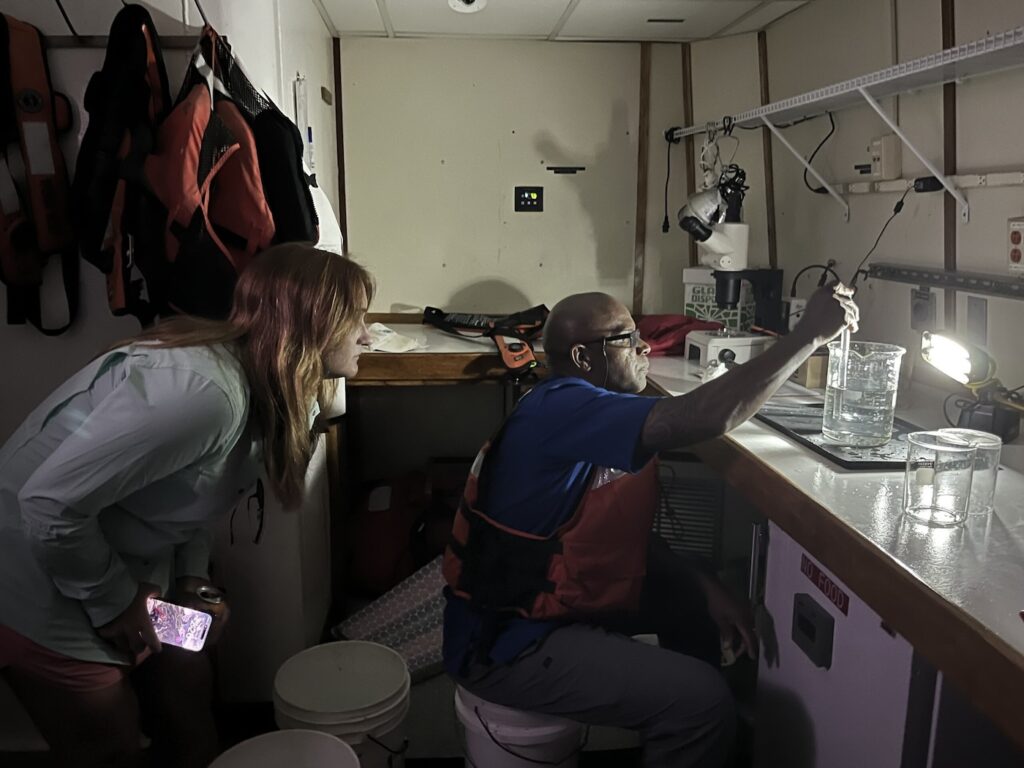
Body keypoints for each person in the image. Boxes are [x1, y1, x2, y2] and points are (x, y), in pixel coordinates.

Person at [443, 283, 858, 768]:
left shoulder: (582, 407)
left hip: (547, 607)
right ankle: (694, 719)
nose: (645, 348)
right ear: (582, 357)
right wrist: (809, 334)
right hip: (510, 644)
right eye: (626, 338)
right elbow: (705, 415)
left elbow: (605, 537)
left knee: (691, 604)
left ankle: (692, 733)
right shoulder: (560, 407)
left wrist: (703, 587)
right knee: (701, 702)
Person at [0, 243, 374, 768]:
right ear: (309, 325)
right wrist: (117, 604)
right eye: (355, 318)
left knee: (189, 673)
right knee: (110, 739)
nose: (367, 334)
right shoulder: (206, 394)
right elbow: (48, 505)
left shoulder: (264, 382)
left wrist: (191, 584)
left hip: (122, 567)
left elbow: (186, 501)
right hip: (31, 572)